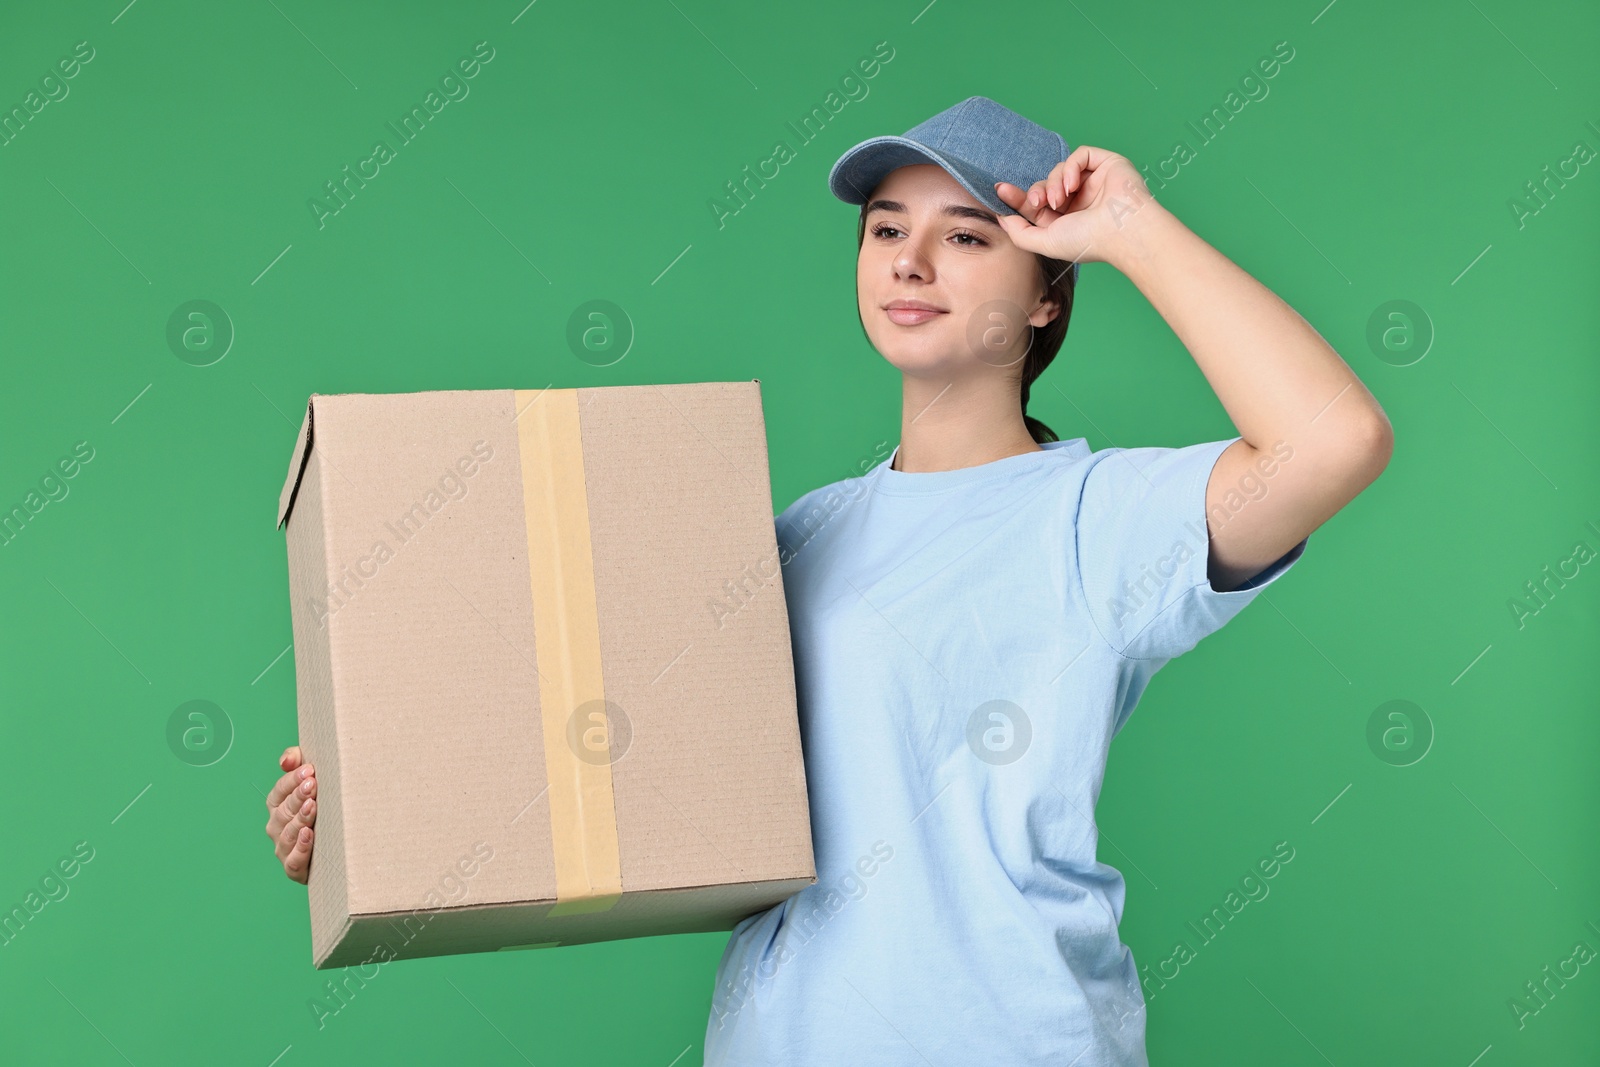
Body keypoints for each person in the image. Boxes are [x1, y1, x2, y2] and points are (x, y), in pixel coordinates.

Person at [265, 96, 1393, 1065]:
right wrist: (367, 821)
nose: (908, 260)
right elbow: (599, 768)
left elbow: (1333, 439)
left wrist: (1133, 228)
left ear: (1048, 294)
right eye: (885, 227)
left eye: (965, 237)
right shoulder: (795, 538)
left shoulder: (1093, 518)